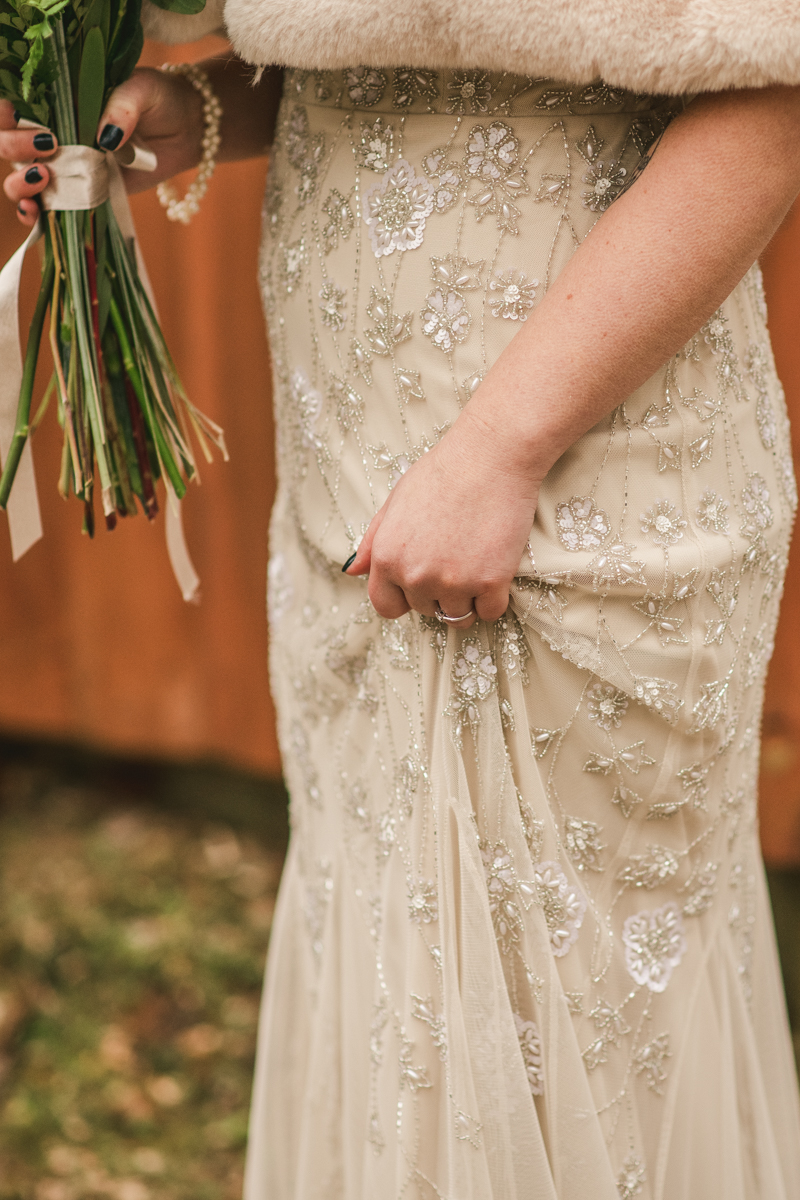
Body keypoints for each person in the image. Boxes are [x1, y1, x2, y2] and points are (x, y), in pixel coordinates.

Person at [4, 2, 800, 1195]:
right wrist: (188, 109)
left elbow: (769, 95)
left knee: (565, 1009)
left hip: (570, 487)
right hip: (348, 476)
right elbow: (383, 44)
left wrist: (499, 451)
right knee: (400, 968)